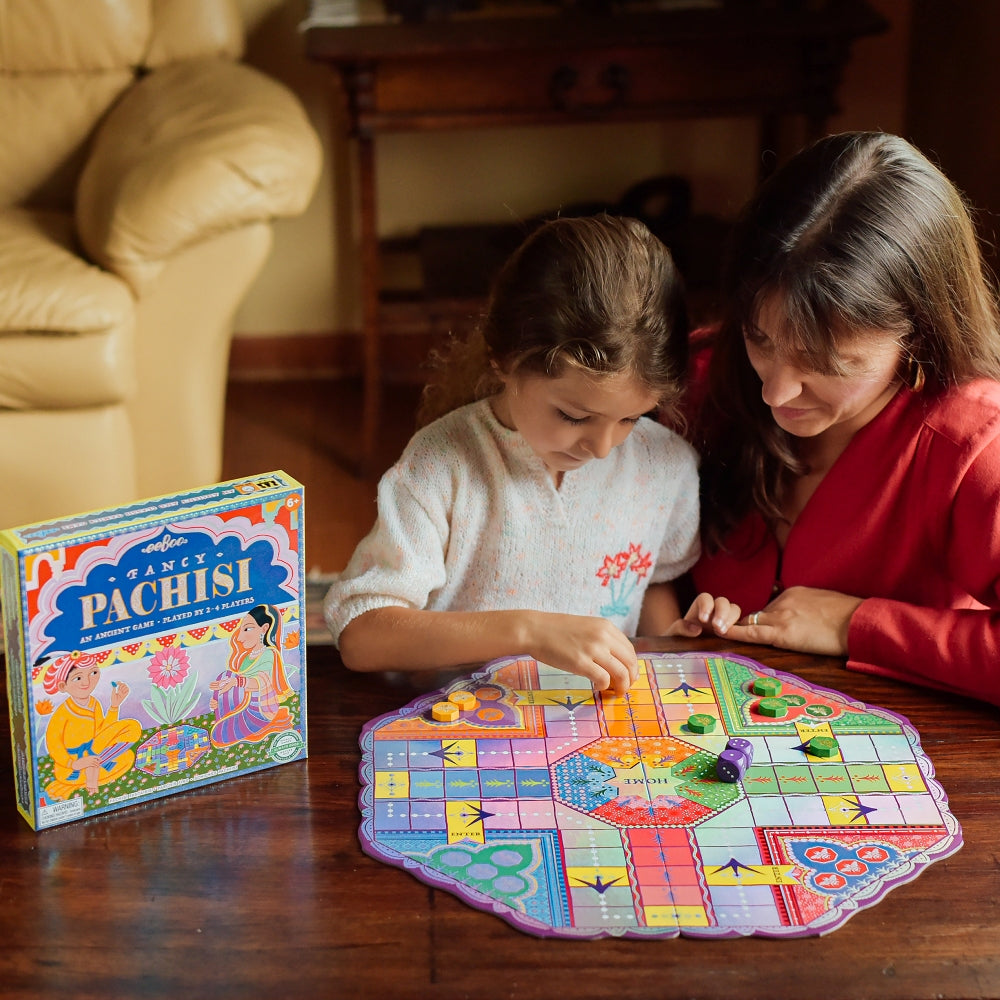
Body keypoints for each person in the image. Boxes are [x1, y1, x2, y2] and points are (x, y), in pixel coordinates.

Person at [325, 214, 738, 694]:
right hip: (461, 729)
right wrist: (530, 632)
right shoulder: (443, 464)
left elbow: (653, 584)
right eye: (573, 416)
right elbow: (361, 636)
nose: (603, 448)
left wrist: (675, 641)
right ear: (504, 360)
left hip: (593, 729)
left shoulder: (666, 466)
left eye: (630, 419)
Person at [690, 130, 1000, 706]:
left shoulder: (975, 446)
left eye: (825, 361)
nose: (776, 390)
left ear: (918, 334)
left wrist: (859, 624)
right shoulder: (699, 373)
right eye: (760, 338)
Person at [42, 651, 142, 799]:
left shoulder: (94, 703)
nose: (87, 682)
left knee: (131, 738)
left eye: (93, 673)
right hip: (72, 765)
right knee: (68, 774)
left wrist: (114, 706)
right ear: (63, 686)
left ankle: (94, 766)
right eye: (78, 678)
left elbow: (103, 731)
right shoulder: (62, 713)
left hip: (96, 751)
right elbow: (54, 745)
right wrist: (74, 764)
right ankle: (78, 782)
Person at [209, 604, 294, 746]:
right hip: (243, 707)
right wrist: (218, 700)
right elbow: (237, 684)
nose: (241, 637)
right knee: (225, 675)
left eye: (247, 629)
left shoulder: (268, 653)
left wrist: (235, 683)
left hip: (260, 710)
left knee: (221, 734)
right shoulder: (246, 657)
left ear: (264, 628)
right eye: (241, 630)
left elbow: (261, 682)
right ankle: (227, 719)